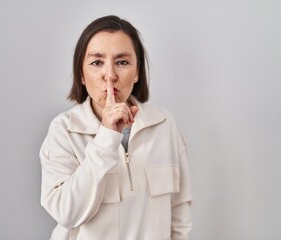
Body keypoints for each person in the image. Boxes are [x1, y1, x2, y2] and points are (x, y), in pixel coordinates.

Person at [40, 15, 193, 240]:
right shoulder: (64, 130)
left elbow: (179, 213)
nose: (110, 76)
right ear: (81, 74)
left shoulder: (164, 124)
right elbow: (67, 213)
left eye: (122, 62)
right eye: (96, 63)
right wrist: (107, 136)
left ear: (137, 72)